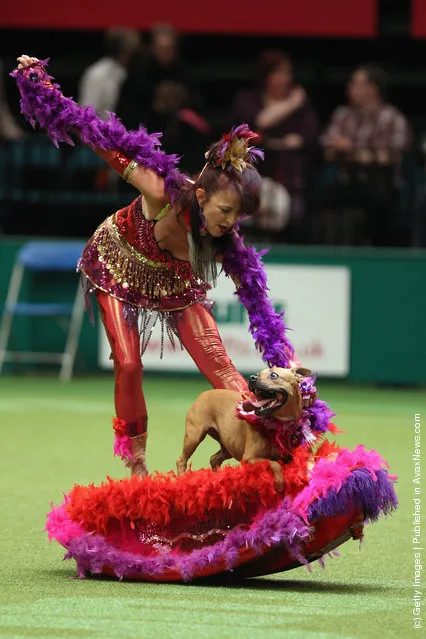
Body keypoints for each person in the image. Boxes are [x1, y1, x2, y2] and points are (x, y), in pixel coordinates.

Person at [13, 55, 310, 477]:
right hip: (118, 261)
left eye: (238, 217)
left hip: (173, 281)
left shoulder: (228, 242)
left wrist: (286, 365)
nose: (229, 223)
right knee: (130, 364)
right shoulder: (162, 193)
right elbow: (100, 138)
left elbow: (261, 310)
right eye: (225, 210)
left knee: (226, 371)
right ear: (202, 197)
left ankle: (263, 454)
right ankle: (136, 463)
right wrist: (42, 89)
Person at [231, 50, 319, 237]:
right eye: (278, 73)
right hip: (252, 173)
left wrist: (296, 140)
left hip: (289, 178)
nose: (285, 79)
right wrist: (293, 102)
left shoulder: (303, 109)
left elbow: (309, 135)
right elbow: (260, 122)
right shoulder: (247, 99)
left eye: (288, 73)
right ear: (265, 76)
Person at [320, 64, 411, 245]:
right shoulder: (343, 115)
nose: (350, 87)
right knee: (324, 190)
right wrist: (364, 153)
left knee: (379, 199)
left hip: (381, 185)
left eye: (356, 83)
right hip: (346, 183)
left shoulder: (393, 118)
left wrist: (351, 149)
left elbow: (392, 155)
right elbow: (328, 148)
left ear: (372, 89)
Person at [78, 28, 141, 117]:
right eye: (132, 52)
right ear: (123, 52)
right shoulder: (98, 74)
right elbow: (87, 112)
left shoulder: (126, 73)